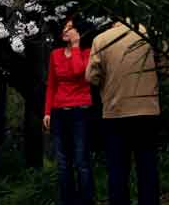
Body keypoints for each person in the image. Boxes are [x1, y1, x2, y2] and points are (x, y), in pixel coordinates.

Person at [86, 22, 161, 205]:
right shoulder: (152, 33)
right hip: (147, 109)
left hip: (115, 112)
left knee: (118, 169)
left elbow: (91, 77)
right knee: (148, 166)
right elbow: (166, 67)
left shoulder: (101, 39)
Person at [44, 14, 95, 205]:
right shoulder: (55, 54)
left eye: (70, 27)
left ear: (78, 31)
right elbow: (51, 85)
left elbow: (77, 71)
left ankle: (86, 200)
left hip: (80, 111)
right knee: (63, 164)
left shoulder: (87, 52)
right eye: (64, 27)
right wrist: (47, 112)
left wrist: (75, 46)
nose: (65, 30)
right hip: (59, 111)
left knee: (81, 161)